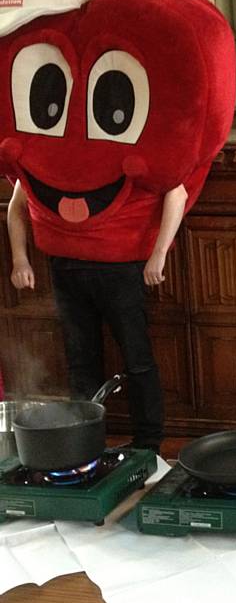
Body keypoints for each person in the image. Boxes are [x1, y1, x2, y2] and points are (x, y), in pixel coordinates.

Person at [8, 179, 188, 454]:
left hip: (121, 266)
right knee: (80, 362)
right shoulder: (48, 154)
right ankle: (85, 443)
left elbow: (177, 190)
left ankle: (149, 446)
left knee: (137, 359)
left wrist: (159, 253)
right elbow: (18, 202)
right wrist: (19, 259)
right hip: (66, 266)